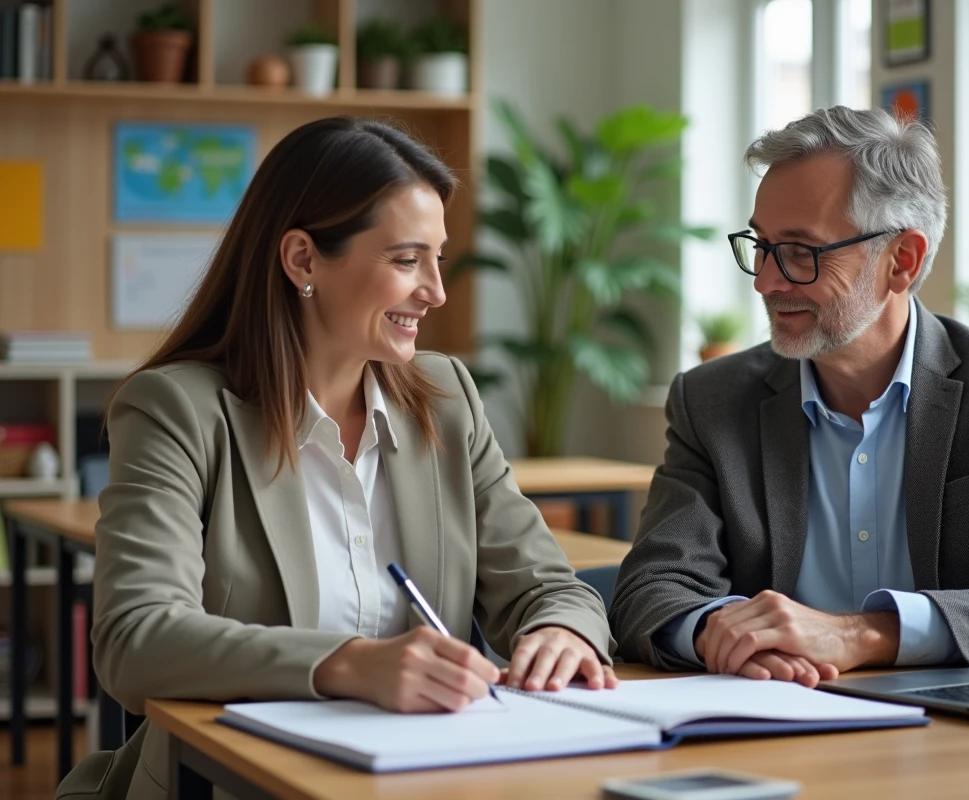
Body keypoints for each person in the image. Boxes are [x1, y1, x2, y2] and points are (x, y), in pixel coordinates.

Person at [58, 117, 616, 800]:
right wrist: (349, 665)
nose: (436, 291)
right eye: (407, 260)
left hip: (416, 781)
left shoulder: (446, 400)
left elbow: (547, 587)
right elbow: (136, 640)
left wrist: (561, 630)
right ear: (302, 260)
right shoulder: (177, 409)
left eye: (438, 258)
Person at [609, 106, 969, 686]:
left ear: (901, 262)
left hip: (964, 734)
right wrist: (725, 633)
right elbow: (650, 588)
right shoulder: (711, 402)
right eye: (761, 245)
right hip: (778, 714)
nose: (765, 280)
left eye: (801, 251)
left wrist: (860, 635)